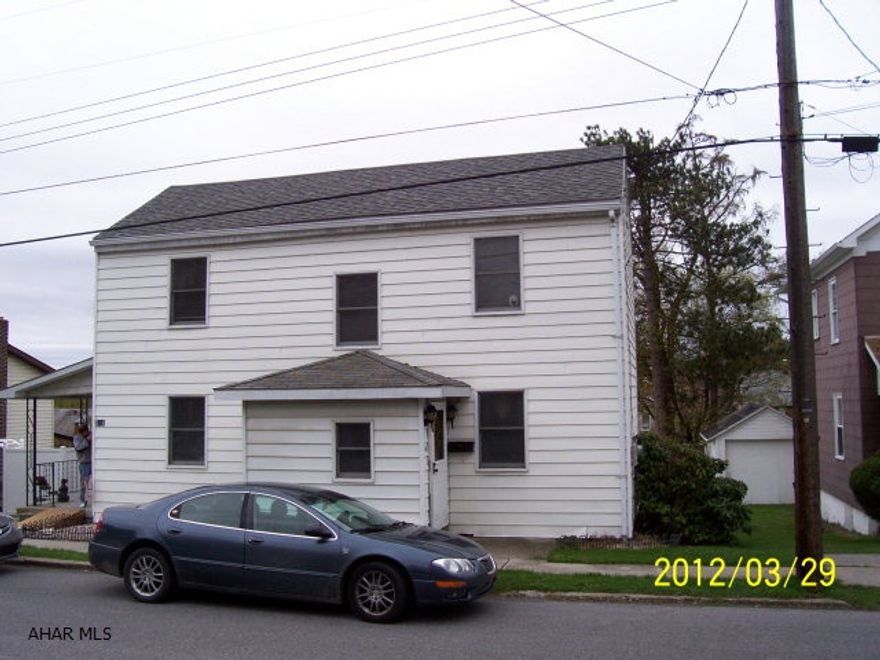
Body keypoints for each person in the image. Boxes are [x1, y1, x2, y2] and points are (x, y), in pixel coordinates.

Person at [72, 422, 92, 508]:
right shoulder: (77, 438)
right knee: (84, 483)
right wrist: (87, 440)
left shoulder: (90, 435)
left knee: (93, 483)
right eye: (85, 432)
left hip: (93, 462)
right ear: (82, 432)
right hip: (84, 463)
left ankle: (91, 499)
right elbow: (78, 448)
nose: (87, 433)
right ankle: (83, 500)